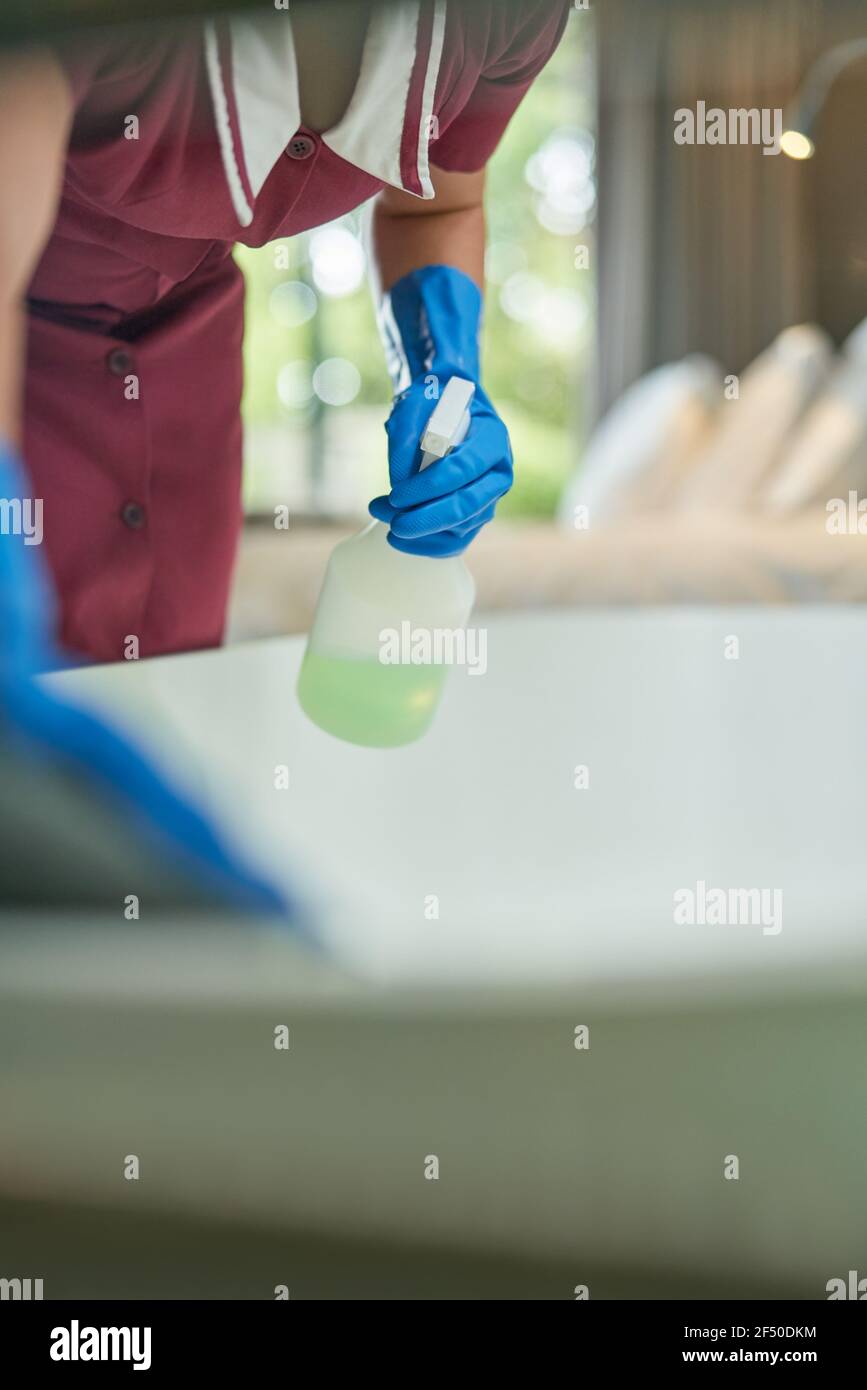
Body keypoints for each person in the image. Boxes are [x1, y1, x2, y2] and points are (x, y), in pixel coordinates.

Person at [0, 0, 571, 665]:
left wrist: (442, 368)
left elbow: (436, 208)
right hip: (23, 343)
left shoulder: (505, 17)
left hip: (188, 358)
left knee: (170, 680)